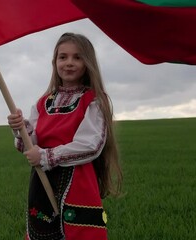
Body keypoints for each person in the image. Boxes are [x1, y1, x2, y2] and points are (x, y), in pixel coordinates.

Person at [7, 32, 122, 240]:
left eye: (77, 57)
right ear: (55, 62)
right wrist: (20, 129)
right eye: (63, 57)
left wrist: (46, 157)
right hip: (43, 181)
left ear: (88, 63)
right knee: (43, 232)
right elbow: (30, 145)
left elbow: (90, 144)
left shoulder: (94, 100)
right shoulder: (43, 103)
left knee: (78, 233)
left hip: (78, 183)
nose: (69, 63)